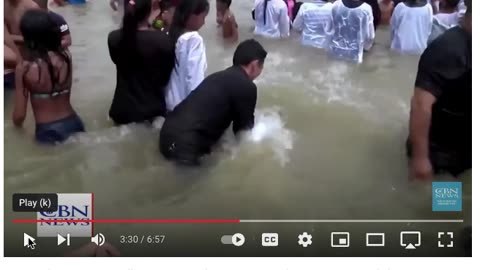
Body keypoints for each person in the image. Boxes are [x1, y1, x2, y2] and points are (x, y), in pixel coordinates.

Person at [159, 39, 267, 166]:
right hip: (185, 147)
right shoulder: (247, 86)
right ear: (254, 65)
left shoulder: (217, 76)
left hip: (166, 134)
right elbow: (243, 132)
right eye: (262, 66)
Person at [407, 0, 471, 181]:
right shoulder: (448, 49)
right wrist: (421, 159)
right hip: (442, 156)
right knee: (444, 206)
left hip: (463, 148)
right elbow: (420, 105)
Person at [13, 9, 85, 144]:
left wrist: (15, 132)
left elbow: (19, 115)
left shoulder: (24, 69)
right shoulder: (66, 58)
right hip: (75, 123)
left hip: (48, 131)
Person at [108, 0, 175, 124]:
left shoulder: (113, 38)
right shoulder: (163, 41)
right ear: (149, 12)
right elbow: (165, 77)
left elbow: (118, 60)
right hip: (151, 113)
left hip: (120, 111)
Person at [165, 0, 209, 111]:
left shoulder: (170, 36)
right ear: (192, 16)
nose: (204, 23)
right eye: (203, 17)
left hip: (168, 103)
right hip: (185, 106)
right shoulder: (194, 39)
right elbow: (194, 80)